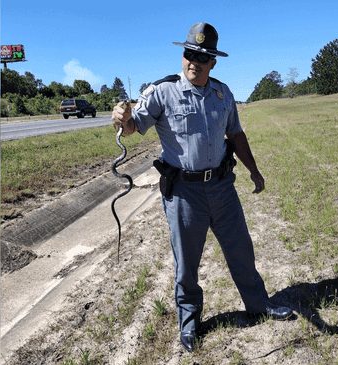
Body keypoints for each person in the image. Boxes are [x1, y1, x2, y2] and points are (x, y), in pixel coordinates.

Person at [111, 22, 292, 352]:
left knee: (241, 250)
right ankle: (190, 322)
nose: (194, 60)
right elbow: (134, 125)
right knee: (187, 263)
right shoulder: (161, 91)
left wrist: (254, 171)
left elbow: (235, 135)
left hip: (222, 187)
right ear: (183, 55)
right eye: (189, 53)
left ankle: (259, 305)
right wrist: (122, 117)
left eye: (202, 56)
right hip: (184, 193)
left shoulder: (223, 94)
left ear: (213, 63)